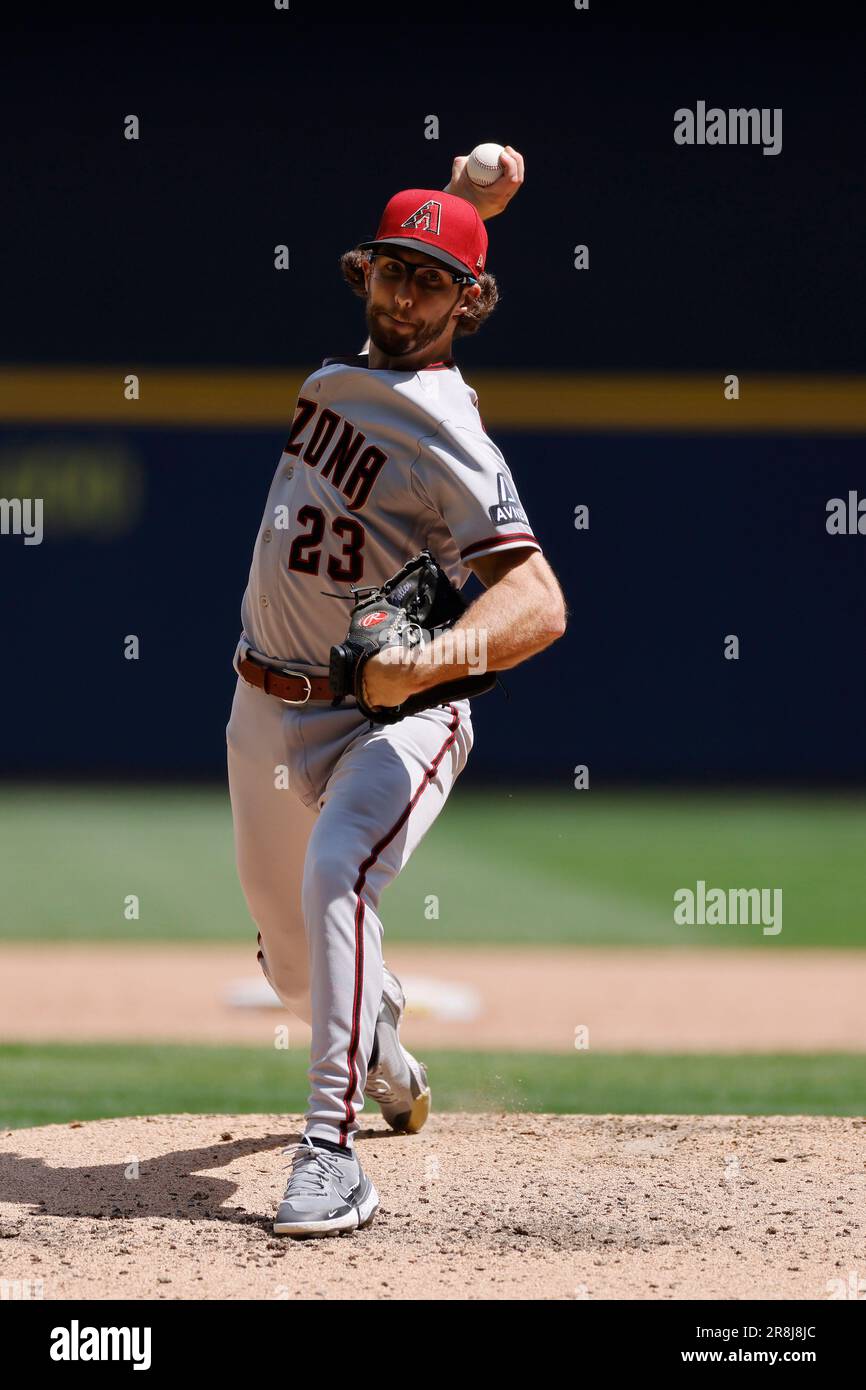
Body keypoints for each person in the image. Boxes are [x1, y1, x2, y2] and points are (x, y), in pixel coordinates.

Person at [225, 147, 567, 1237]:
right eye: (390, 271)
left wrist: (424, 664)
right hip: (263, 707)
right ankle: (378, 1041)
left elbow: (541, 603)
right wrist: (462, 208)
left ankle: (329, 1158)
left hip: (394, 714)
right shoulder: (339, 375)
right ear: (363, 273)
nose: (404, 292)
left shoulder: (453, 435)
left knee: (339, 875)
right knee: (290, 967)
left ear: (470, 303)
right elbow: (429, 237)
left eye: (431, 280)